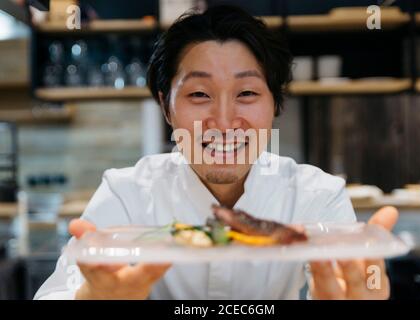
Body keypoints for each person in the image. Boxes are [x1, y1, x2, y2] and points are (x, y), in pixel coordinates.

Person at [34, 5, 398, 300]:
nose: (224, 123)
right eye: (198, 95)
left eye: (247, 94)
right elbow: (58, 293)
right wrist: (91, 298)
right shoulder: (126, 193)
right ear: (166, 107)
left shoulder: (316, 195)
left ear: (275, 104)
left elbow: (352, 281)